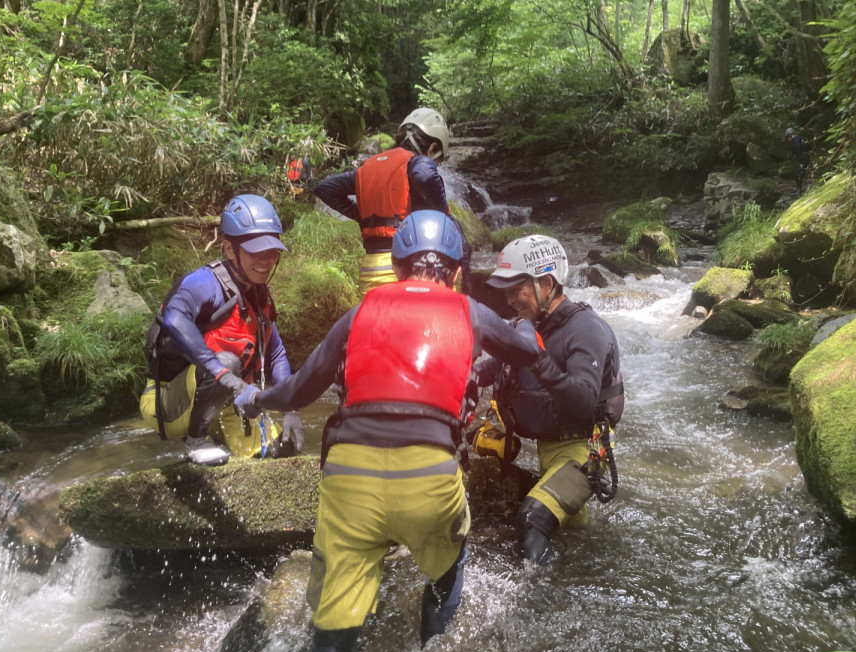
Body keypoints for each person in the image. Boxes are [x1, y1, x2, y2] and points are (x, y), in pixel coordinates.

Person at [233, 210, 542, 652]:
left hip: (349, 477)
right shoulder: (470, 311)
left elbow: (297, 392)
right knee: (450, 563)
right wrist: (526, 323)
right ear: (453, 269)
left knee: (332, 639)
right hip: (429, 477)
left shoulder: (358, 314)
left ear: (396, 267)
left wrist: (253, 398)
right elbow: (525, 349)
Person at [481, 234, 624, 565]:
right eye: (505, 290)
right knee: (575, 537)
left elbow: (584, 400)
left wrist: (537, 359)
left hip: (583, 454)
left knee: (532, 521)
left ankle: (542, 605)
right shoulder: (529, 325)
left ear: (546, 283)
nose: (508, 299)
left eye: (515, 288)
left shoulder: (585, 328)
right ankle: (582, 563)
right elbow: (490, 367)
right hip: (549, 450)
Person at [140, 193, 304, 466]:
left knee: (284, 450)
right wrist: (226, 377)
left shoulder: (258, 293)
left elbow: (276, 354)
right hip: (171, 405)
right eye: (256, 251)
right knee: (225, 361)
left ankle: (218, 431)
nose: (266, 260)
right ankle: (195, 439)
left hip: (227, 403)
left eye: (272, 251)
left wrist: (290, 409)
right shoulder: (203, 283)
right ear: (229, 249)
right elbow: (174, 317)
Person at [314, 108, 464, 295]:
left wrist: (360, 216)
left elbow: (325, 188)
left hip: (370, 269)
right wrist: (445, 214)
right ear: (432, 148)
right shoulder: (418, 163)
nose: (436, 164)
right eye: (437, 159)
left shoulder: (369, 166)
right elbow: (425, 176)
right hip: (407, 266)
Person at [786, 127, 809, 193]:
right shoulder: (800, 137)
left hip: (802, 157)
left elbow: (798, 148)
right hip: (804, 156)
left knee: (798, 173)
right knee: (799, 173)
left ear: (790, 135)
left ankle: (799, 189)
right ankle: (798, 188)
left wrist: (799, 158)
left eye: (788, 136)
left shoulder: (796, 139)